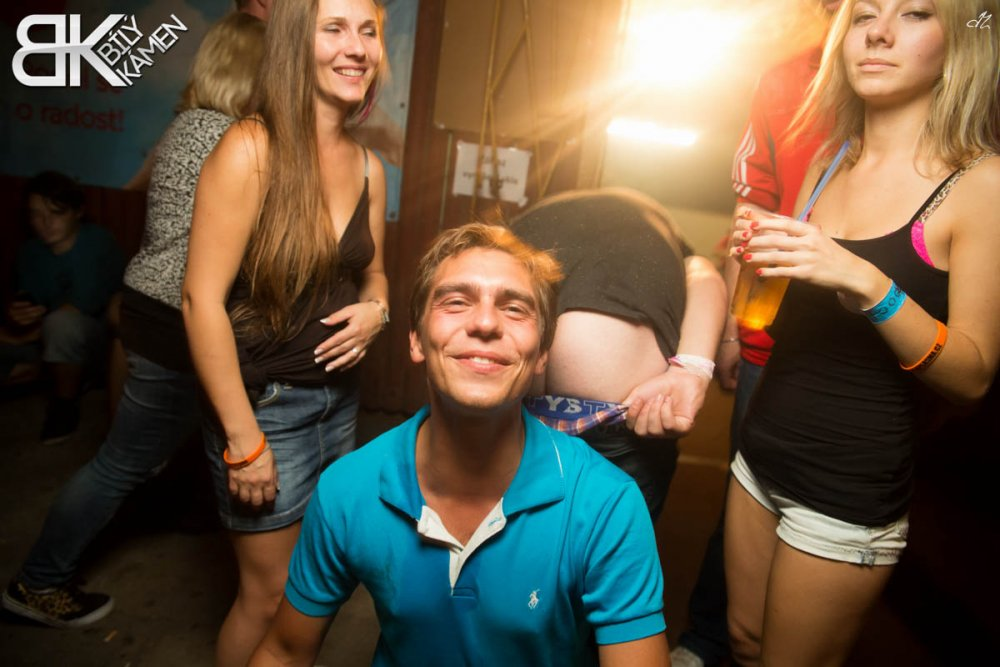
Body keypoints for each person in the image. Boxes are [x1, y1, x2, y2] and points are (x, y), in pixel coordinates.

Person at [249, 223, 670, 666]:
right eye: (455, 302)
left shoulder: (605, 504)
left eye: (514, 309)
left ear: (542, 355)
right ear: (416, 339)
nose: (485, 323)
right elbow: (283, 651)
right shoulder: (349, 489)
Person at [726, 0, 1000, 664]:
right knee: (743, 641)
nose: (878, 32)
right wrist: (761, 256)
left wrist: (868, 283)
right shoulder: (830, 157)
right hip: (758, 455)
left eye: (914, 13)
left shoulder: (981, 184)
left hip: (846, 488)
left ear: (959, 41)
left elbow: (972, 376)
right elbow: (794, 311)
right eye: (864, 14)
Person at [1, 12, 267, 629]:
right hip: (178, 320)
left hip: (155, 308)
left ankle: (193, 514)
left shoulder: (186, 125)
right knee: (123, 462)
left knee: (173, 446)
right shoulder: (229, 139)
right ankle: (38, 580)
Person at [181, 1, 389, 664]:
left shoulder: (369, 167)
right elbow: (200, 300)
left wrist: (378, 311)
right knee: (267, 596)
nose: (357, 47)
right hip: (264, 408)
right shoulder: (250, 148)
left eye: (368, 31)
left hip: (339, 403)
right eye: (335, 29)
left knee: (310, 590)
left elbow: (375, 275)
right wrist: (244, 441)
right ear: (297, 42)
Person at [672, 3, 842, 665]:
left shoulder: (935, 70)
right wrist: (731, 331)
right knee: (747, 491)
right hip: (772, 340)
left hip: (866, 351)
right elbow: (752, 209)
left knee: (833, 512)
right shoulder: (784, 80)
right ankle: (709, 637)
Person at [511, 188, 727, 519]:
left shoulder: (531, 220)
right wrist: (692, 369)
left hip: (508, 404)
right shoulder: (664, 233)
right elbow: (705, 273)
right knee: (609, 545)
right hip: (615, 414)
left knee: (500, 539)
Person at [0, 172, 124, 444]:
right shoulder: (30, 252)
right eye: (36, 214)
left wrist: (16, 335)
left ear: (77, 212)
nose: (45, 223)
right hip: (46, 339)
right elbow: (29, 304)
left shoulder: (97, 242)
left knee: (61, 325)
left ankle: (64, 403)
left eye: (56, 213)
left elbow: (76, 309)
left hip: (98, 342)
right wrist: (17, 317)